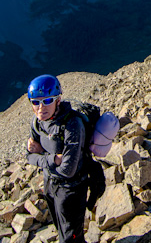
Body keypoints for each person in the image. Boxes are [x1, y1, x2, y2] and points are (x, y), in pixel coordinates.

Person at [26, 74, 88, 243]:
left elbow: (68, 170)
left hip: (71, 189)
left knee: (71, 237)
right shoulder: (37, 122)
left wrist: (41, 155)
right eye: (36, 102)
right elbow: (29, 156)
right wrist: (53, 159)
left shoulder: (72, 124)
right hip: (50, 185)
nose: (40, 108)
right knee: (62, 229)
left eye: (47, 101)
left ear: (58, 100)